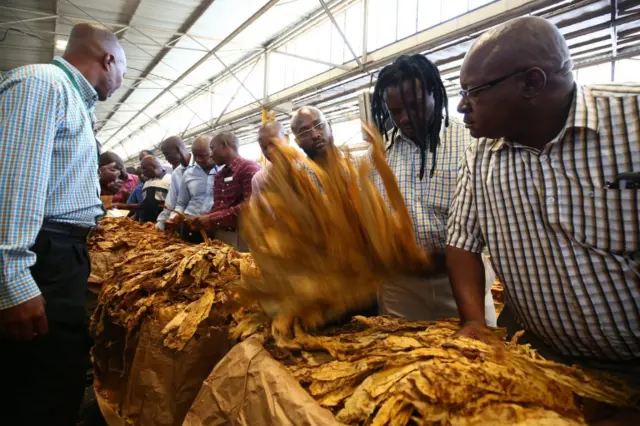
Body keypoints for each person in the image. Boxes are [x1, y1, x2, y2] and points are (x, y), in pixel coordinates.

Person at [447, 16, 640, 405]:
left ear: (531, 83)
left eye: (473, 92)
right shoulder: (481, 155)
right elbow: (461, 240)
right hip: (543, 358)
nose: (461, 105)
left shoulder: (632, 119)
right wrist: (472, 320)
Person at [0, 23, 126, 425]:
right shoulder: (44, 85)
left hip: (61, 254)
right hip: (44, 255)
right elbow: (14, 187)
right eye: (124, 69)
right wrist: (13, 280)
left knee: (58, 371)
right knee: (43, 382)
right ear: (108, 59)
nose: (123, 80)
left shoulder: (72, 100)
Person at [370, 54, 496, 324]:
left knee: (476, 359)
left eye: (413, 107)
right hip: (401, 289)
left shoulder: (472, 143)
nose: (405, 119)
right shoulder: (379, 155)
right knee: (399, 359)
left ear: (434, 94)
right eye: (395, 112)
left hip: (461, 286)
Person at [191, 131, 261, 250]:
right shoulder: (219, 175)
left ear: (224, 145)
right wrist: (202, 219)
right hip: (222, 236)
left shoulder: (249, 168)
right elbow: (219, 207)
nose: (211, 155)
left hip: (243, 236)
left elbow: (250, 206)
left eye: (212, 149)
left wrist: (211, 219)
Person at [165, 135, 218, 243]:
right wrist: (175, 216)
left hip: (215, 229)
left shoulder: (225, 172)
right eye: (195, 156)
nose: (198, 160)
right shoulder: (189, 174)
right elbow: (181, 203)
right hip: (190, 226)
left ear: (214, 152)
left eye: (203, 156)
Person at [156, 136, 192, 230]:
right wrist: (162, 221)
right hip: (185, 224)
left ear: (178, 149)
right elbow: (171, 201)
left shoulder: (203, 166)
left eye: (167, 154)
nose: (166, 158)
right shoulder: (176, 173)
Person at [251, 120, 288, 195]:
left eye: (273, 143)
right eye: (264, 148)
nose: (270, 151)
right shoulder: (259, 180)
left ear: (286, 139)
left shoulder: (306, 169)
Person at [138, 155, 171, 223]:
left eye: (144, 168)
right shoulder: (146, 183)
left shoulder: (170, 180)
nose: (142, 172)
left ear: (153, 167)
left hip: (164, 223)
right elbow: (145, 204)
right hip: (148, 225)